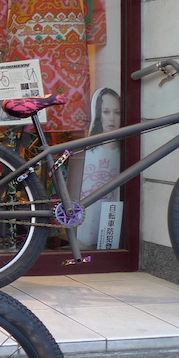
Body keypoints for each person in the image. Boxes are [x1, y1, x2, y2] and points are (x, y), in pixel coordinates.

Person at [77, 88, 122, 248]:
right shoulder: (87, 152)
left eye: (117, 112)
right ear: (98, 113)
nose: (112, 118)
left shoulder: (125, 153)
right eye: (106, 112)